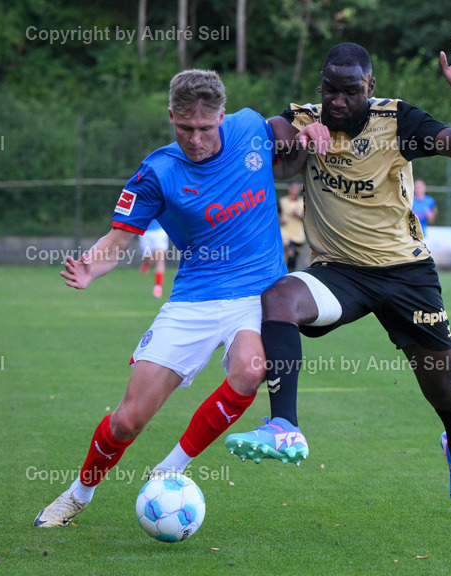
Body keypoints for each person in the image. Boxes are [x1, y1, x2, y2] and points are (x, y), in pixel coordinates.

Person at [225, 38, 451, 515]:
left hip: (406, 274)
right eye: (330, 89)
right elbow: (270, 135)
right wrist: (296, 139)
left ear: (370, 86)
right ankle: (284, 426)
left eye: (350, 91)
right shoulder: (308, 118)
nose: (338, 101)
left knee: (443, 389)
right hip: (339, 272)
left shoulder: (399, 122)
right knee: (280, 297)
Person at [33, 69, 290, 528]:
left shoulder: (253, 128)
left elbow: (304, 124)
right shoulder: (158, 171)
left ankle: (172, 468)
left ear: (224, 117)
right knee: (127, 421)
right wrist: (91, 266)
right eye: (184, 128)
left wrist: (311, 128)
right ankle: (77, 494)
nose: (195, 139)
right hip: (194, 299)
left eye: (205, 128)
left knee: (251, 370)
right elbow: (119, 238)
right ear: (171, 117)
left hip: (256, 293)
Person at [137, 218, 169, 297]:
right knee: (148, 259)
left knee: (160, 259)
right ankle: (146, 263)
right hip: (145, 231)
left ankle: (158, 287)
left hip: (159, 231)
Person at [279, 182, 306, 272]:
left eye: (296, 188)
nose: (294, 190)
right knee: (290, 252)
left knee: (295, 255)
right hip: (286, 232)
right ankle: (287, 271)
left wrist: (298, 216)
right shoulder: (282, 201)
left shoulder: (303, 202)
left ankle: (291, 271)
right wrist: (279, 220)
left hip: (298, 233)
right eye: (293, 188)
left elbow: (307, 218)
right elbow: (274, 215)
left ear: (299, 190)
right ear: (289, 189)